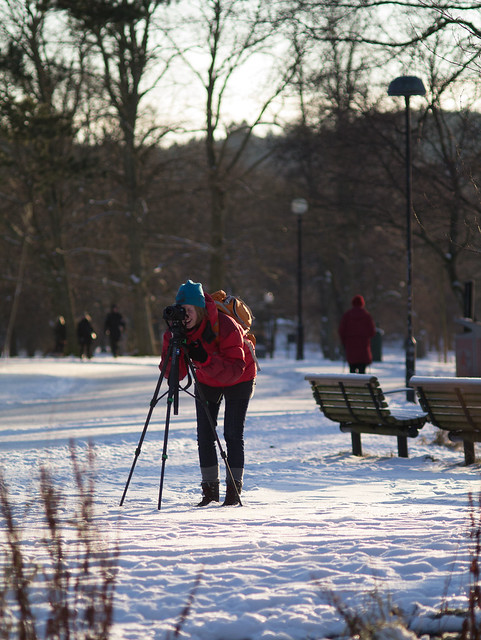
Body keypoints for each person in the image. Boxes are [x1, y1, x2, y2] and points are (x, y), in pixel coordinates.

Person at [159, 280, 257, 507]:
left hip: (240, 376)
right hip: (207, 377)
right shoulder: (178, 330)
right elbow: (175, 374)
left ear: (200, 309)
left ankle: (233, 493)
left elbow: (234, 370)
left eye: (189, 310)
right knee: (205, 435)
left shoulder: (226, 325)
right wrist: (174, 347)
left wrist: (204, 358)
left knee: (232, 433)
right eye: (180, 309)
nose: (184, 316)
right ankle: (209, 493)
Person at [338, 295, 376, 374]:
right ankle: (363, 386)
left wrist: (344, 342)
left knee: (352, 372)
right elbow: (372, 332)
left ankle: (352, 385)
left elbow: (341, 331)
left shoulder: (347, 316)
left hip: (350, 348)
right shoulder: (366, 316)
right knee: (362, 373)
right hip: (363, 349)